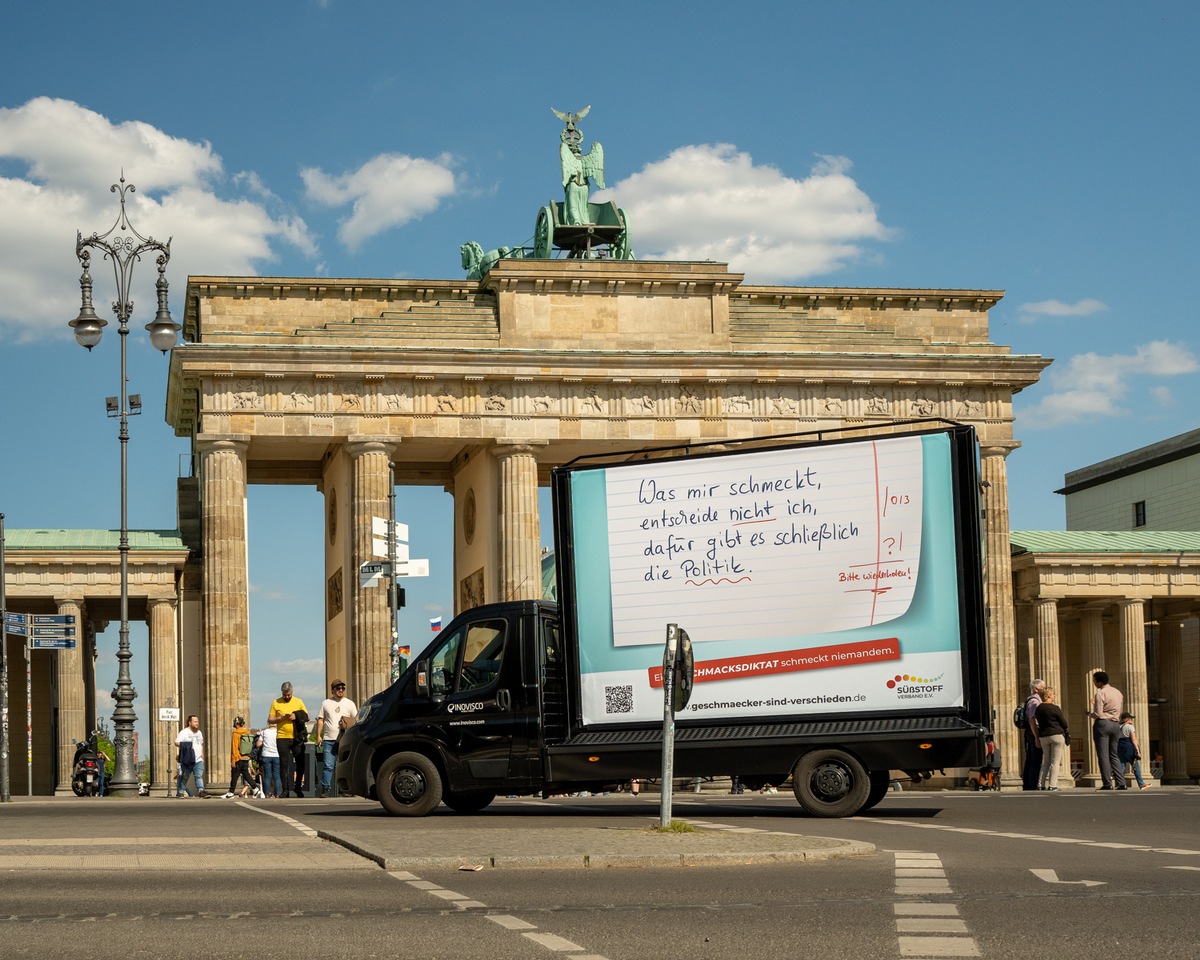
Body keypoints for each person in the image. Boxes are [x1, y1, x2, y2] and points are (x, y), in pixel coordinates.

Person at [315, 679, 357, 798]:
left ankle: (344, 789)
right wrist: (318, 735)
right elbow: (321, 720)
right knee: (328, 765)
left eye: (342, 688)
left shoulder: (349, 703)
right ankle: (325, 788)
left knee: (344, 764)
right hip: (329, 739)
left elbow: (356, 720)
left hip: (345, 738)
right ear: (332, 690)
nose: (340, 690)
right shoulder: (326, 703)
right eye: (338, 688)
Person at [268, 682, 307, 798]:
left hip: (296, 737)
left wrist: (296, 716)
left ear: (292, 692)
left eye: (288, 695)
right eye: (284, 695)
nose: (286, 697)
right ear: (282, 693)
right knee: (284, 765)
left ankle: (298, 787)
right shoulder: (276, 702)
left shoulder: (298, 701)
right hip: (282, 737)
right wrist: (279, 718)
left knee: (300, 763)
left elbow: (307, 716)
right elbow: (270, 719)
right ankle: (285, 790)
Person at [1088, 671, 1126, 790]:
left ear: (1099, 682)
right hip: (1115, 724)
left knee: (1103, 755)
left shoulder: (1100, 694)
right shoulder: (1118, 692)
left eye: (1094, 681)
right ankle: (1121, 782)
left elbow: (1098, 713)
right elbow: (1120, 711)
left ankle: (1107, 783)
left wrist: (1089, 714)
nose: (1094, 683)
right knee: (1114, 754)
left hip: (1103, 724)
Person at [1033, 687, 1069, 790]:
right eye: (1053, 694)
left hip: (1043, 735)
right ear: (1048, 695)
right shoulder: (1055, 708)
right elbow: (1064, 723)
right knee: (1055, 762)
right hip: (1056, 734)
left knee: (1046, 762)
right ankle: (1052, 785)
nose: (1054, 696)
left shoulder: (1038, 708)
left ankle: (1040, 784)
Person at [175, 714, 212, 798]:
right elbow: (176, 742)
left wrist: (202, 755)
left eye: (197, 722)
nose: (197, 723)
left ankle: (201, 791)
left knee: (198, 776)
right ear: (190, 723)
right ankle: (181, 791)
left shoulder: (199, 733)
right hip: (188, 759)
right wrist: (186, 745)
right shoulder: (184, 732)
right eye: (195, 721)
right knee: (185, 776)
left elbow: (201, 744)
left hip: (198, 759)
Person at [1021, 679, 1046, 791]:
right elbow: (1032, 720)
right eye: (1043, 687)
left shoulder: (1034, 700)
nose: (1044, 689)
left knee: (1032, 758)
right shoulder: (1034, 701)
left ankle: (1030, 783)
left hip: (1031, 732)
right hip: (1033, 732)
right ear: (1036, 689)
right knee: (1035, 759)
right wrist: (1036, 737)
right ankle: (1031, 784)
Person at [225, 716, 257, 799]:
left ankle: (231, 792)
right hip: (245, 756)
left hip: (238, 757)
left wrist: (233, 760)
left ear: (236, 723)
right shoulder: (246, 732)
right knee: (246, 774)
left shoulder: (236, 734)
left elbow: (234, 747)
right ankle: (255, 788)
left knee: (235, 776)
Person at [1118, 712, 1149, 789]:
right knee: (1135, 766)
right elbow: (1133, 739)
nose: (1132, 720)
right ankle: (1141, 784)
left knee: (1121, 766)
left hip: (1120, 747)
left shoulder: (1118, 727)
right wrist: (1137, 750)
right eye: (1131, 718)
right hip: (1129, 747)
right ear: (1128, 719)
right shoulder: (1130, 727)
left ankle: (1120, 784)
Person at [259, 724, 281, 799]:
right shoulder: (279, 732)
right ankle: (277, 794)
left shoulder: (264, 732)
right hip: (276, 754)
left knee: (267, 775)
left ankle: (267, 794)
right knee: (276, 775)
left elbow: (258, 743)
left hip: (266, 755)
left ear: (268, 724)